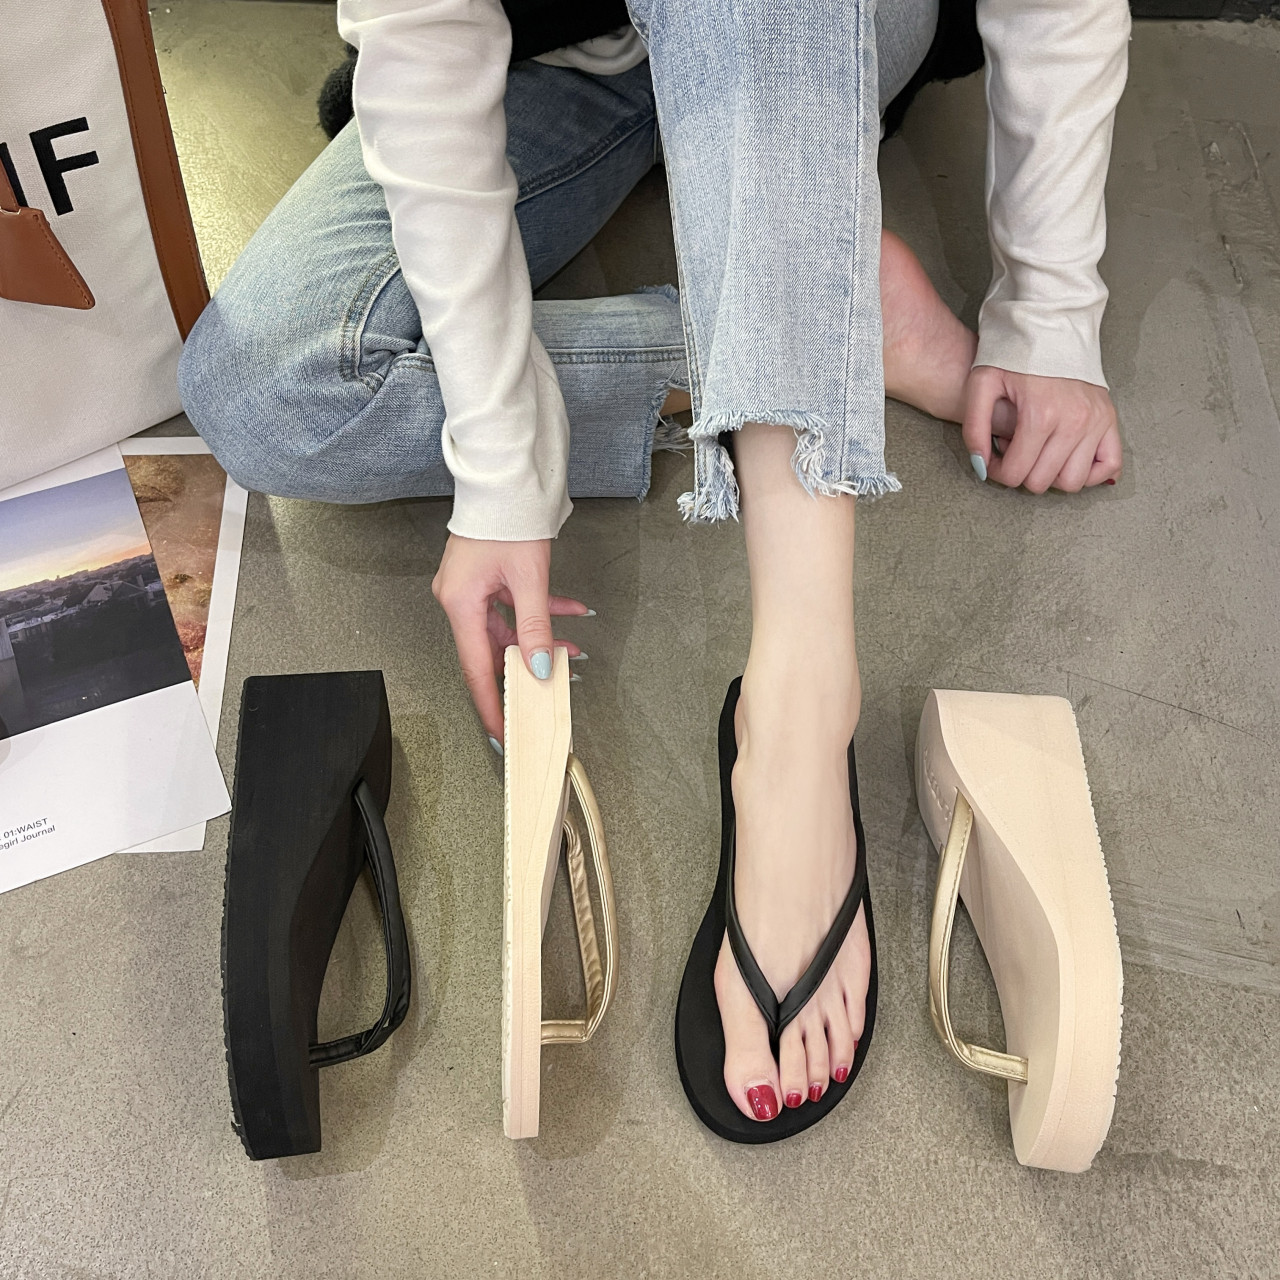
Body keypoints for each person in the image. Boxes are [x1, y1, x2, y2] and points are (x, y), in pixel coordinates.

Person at [179, 0, 1128, 1131]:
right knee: (267, 390)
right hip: (556, 56)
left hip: (807, 36)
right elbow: (424, 37)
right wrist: (500, 469)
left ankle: (798, 710)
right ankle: (817, 327)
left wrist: (1049, 308)